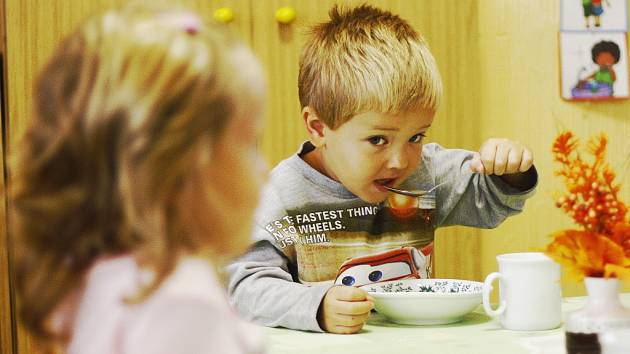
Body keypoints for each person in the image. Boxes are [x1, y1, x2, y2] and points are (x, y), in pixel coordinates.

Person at [227, 4, 537, 335]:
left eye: (416, 137)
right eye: (378, 139)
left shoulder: (424, 174)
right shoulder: (281, 196)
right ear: (318, 128)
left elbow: (491, 196)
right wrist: (314, 307)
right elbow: (244, 285)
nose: (401, 161)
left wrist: (509, 169)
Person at [10, 4, 266, 353]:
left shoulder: (100, 275)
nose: (264, 169)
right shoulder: (181, 300)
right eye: (251, 144)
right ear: (180, 168)